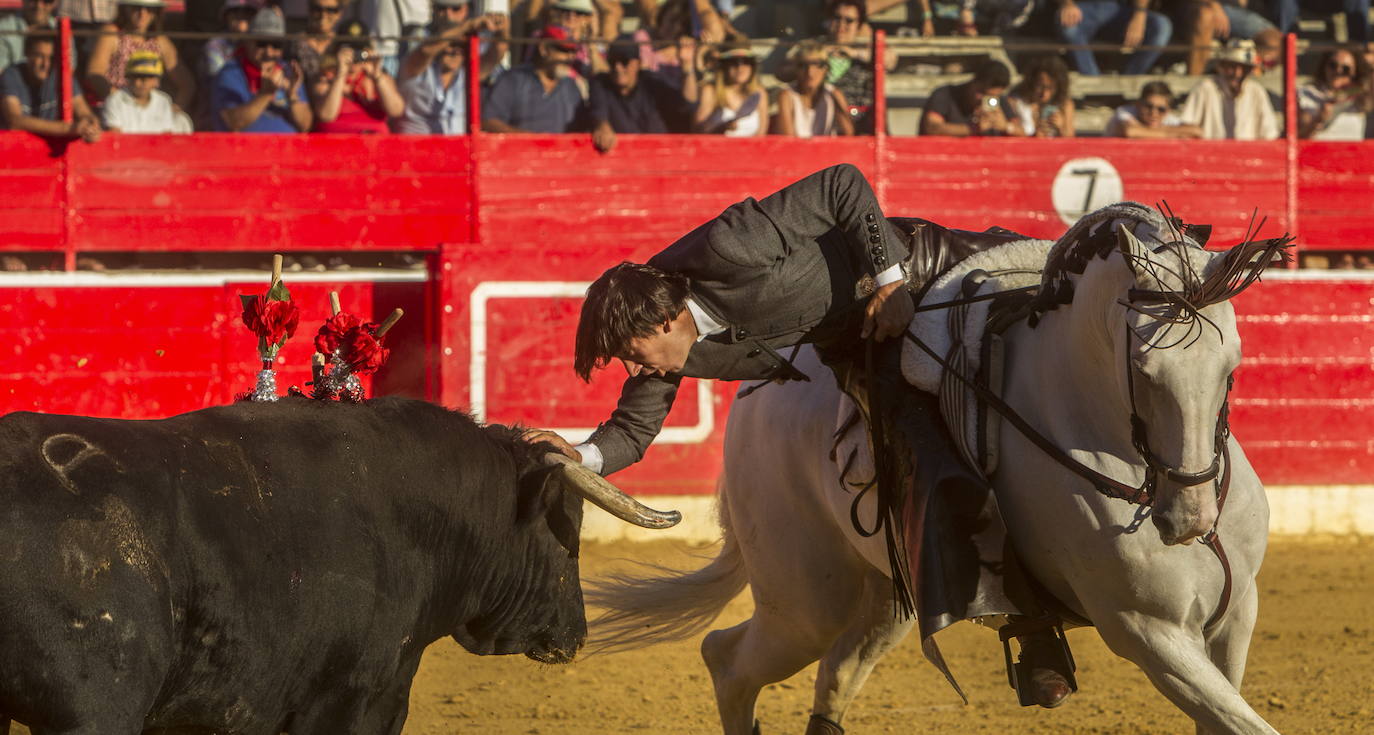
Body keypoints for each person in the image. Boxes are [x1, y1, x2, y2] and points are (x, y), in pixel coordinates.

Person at [522, 163, 1076, 710]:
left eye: (630, 354)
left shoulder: (725, 248)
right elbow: (632, 433)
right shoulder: (666, 356)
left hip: (928, 274)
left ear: (662, 322)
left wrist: (890, 283)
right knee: (922, 458)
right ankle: (1033, 627)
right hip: (859, 344)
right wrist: (580, 456)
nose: (633, 370)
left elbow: (842, 183)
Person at [395, 9, 508, 134]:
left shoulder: (468, 73)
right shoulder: (415, 69)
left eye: (461, 46)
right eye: (451, 44)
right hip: (415, 149)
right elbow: (425, 51)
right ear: (439, 46)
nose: (455, 51)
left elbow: (498, 52)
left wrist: (502, 28)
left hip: (458, 149)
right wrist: (469, 26)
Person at [588, 36, 698, 151]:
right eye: (612, 62)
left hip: (658, 156)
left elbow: (688, 104)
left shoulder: (652, 83)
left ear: (638, 63)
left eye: (624, 61)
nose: (618, 67)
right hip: (622, 159)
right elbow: (598, 113)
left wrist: (687, 66)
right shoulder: (601, 83)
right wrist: (602, 126)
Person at [210, 9, 312, 132]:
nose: (268, 52)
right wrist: (266, 93)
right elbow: (233, 122)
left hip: (288, 148)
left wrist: (292, 94)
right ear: (247, 42)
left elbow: (305, 125)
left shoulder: (288, 71)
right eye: (261, 43)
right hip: (246, 149)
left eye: (276, 44)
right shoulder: (231, 72)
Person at [84, 0, 193, 108]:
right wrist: (121, 102)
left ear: (156, 12)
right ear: (126, 9)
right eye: (136, 8)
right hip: (113, 108)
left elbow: (186, 84)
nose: (142, 14)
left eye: (149, 9)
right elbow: (95, 72)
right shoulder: (112, 33)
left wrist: (174, 110)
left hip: (149, 112)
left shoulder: (160, 41)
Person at [480, 24, 585, 133]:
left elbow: (582, 127)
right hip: (518, 149)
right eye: (563, 50)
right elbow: (488, 121)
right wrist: (530, 140)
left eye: (573, 52)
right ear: (544, 49)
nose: (570, 57)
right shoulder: (513, 79)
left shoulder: (571, 86)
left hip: (562, 150)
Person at [1, 32, 101, 141]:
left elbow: (83, 111)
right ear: (27, 53)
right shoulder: (11, 75)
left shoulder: (61, 75)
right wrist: (68, 129)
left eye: (51, 58)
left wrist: (91, 126)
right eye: (39, 56)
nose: (45, 64)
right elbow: (14, 121)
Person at [310, 21, 405, 134]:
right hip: (338, 145)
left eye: (359, 50)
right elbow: (326, 115)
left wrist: (377, 76)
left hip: (374, 145)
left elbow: (396, 111)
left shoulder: (379, 77)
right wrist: (341, 74)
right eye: (349, 50)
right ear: (337, 51)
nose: (355, 56)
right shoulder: (326, 77)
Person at [815, 0, 895, 134]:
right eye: (837, 18)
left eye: (849, 20)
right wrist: (820, 55)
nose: (842, 25)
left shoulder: (865, 49)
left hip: (861, 122)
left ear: (859, 25)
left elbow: (889, 60)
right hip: (823, 121)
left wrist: (854, 53)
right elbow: (782, 72)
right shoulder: (816, 47)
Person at [1178, 38, 1279, 139]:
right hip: (1212, 153)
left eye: (1244, 68)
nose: (1238, 73)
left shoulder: (1256, 91)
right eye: (1232, 66)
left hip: (1249, 153)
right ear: (1222, 66)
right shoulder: (1205, 88)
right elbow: (1187, 128)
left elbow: (1269, 134)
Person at [1055, 0, 1173, 76]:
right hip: (1082, 9)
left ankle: (1128, 81)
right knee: (1069, 26)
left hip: (1121, 10)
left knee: (1162, 26)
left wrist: (1140, 13)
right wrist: (1067, 4)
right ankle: (1094, 83)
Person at [919, 57, 1016, 136]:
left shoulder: (998, 100)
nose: (984, 100)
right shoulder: (945, 94)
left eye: (991, 97)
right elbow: (932, 127)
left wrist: (1006, 127)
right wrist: (972, 129)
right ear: (973, 82)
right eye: (981, 93)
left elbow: (1022, 131)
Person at [101, 49, 191, 132]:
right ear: (128, 78)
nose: (141, 82)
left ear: (156, 80)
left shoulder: (163, 101)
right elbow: (116, 136)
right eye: (136, 77)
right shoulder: (115, 100)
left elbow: (165, 136)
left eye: (147, 77)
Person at [775, 42, 853, 137]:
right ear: (796, 69)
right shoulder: (786, 96)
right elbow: (787, 139)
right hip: (797, 150)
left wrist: (835, 99)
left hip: (827, 150)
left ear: (825, 68)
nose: (810, 72)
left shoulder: (833, 94)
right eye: (803, 65)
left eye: (817, 65)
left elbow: (849, 133)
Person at [1298, 46, 1371, 140]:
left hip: (1352, 152)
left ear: (1355, 72)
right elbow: (1300, 137)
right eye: (1333, 65)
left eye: (1345, 69)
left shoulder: (1361, 96)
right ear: (1324, 66)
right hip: (1319, 151)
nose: (1338, 71)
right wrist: (1319, 120)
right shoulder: (1307, 93)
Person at [694, 46, 766, 136]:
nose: (740, 68)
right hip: (716, 148)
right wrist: (721, 127)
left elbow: (762, 135)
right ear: (724, 66)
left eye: (747, 62)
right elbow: (698, 131)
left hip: (750, 148)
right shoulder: (710, 91)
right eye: (734, 62)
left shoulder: (759, 92)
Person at [1006, 54, 1074, 137]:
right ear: (1031, 82)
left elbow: (1070, 141)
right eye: (1039, 86)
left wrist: (1061, 127)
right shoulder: (1015, 101)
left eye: (1051, 88)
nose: (1044, 94)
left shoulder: (1065, 105)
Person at [1104, 80, 1202, 137]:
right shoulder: (1125, 112)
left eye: (1161, 109)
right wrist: (1171, 133)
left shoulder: (1168, 119)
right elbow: (1130, 131)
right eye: (1148, 106)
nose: (1154, 113)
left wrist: (1153, 132)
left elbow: (1197, 131)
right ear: (1138, 104)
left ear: (1168, 111)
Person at [0, 0, 70, 74]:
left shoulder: (62, 31)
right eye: (33, 0)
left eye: (46, 1)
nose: (39, 6)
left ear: (55, 3)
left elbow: (69, 70)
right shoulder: (4, 29)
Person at [202, 0, 258, 82]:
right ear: (226, 16)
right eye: (235, 10)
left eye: (248, 11)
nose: (241, 15)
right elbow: (219, 81)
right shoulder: (214, 46)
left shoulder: (262, 44)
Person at [291, 0, 344, 81]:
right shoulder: (296, 42)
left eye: (330, 10)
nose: (323, 15)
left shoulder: (343, 43)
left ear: (339, 14)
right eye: (317, 9)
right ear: (309, 10)